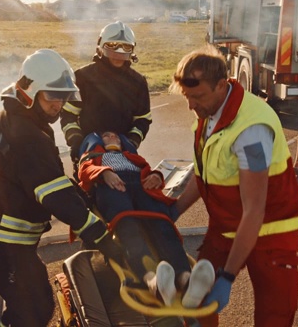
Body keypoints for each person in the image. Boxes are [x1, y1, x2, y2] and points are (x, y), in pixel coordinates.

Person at [0, 49, 123, 327]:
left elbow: (50, 179)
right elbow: (58, 198)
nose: (58, 105)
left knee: (27, 307)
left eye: (63, 96)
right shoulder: (27, 137)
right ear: (29, 93)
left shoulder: (14, 117)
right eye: (51, 96)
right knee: (33, 310)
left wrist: (81, 196)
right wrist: (105, 240)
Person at [171, 46, 298, 326]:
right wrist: (174, 211)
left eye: (196, 97)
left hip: (271, 234)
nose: (191, 106)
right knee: (195, 299)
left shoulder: (251, 131)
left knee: (274, 316)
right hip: (228, 226)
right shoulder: (209, 113)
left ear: (221, 85)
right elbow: (206, 174)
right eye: (187, 97)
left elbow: (254, 210)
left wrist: (228, 276)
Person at [77, 131, 215, 308]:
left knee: (163, 227)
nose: (113, 137)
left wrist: (156, 176)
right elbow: (84, 170)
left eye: (117, 136)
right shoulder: (95, 157)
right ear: (98, 142)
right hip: (113, 187)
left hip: (140, 187)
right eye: (107, 136)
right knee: (128, 228)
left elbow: (148, 170)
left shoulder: (133, 158)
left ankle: (185, 279)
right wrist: (104, 173)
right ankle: (153, 282)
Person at [60, 21, 152, 176]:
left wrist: (131, 142)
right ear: (101, 47)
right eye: (113, 45)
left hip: (122, 149)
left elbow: (142, 119)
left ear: (132, 50)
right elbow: (68, 115)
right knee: (88, 193)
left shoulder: (137, 82)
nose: (119, 52)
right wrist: (77, 142)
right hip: (89, 150)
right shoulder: (82, 77)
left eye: (126, 47)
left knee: (126, 189)